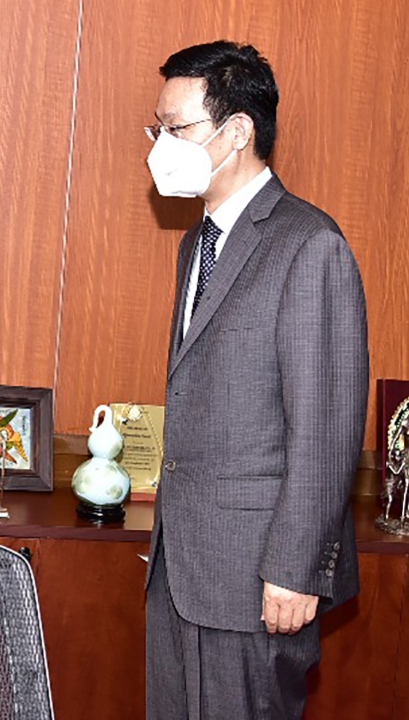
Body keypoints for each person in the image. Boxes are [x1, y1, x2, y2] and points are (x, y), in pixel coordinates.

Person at [142, 41, 368, 719]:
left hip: (256, 579)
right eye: (155, 129)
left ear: (237, 131)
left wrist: (295, 570)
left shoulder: (309, 244)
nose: (160, 146)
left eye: (175, 129)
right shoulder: (198, 242)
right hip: (181, 570)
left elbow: (325, 431)